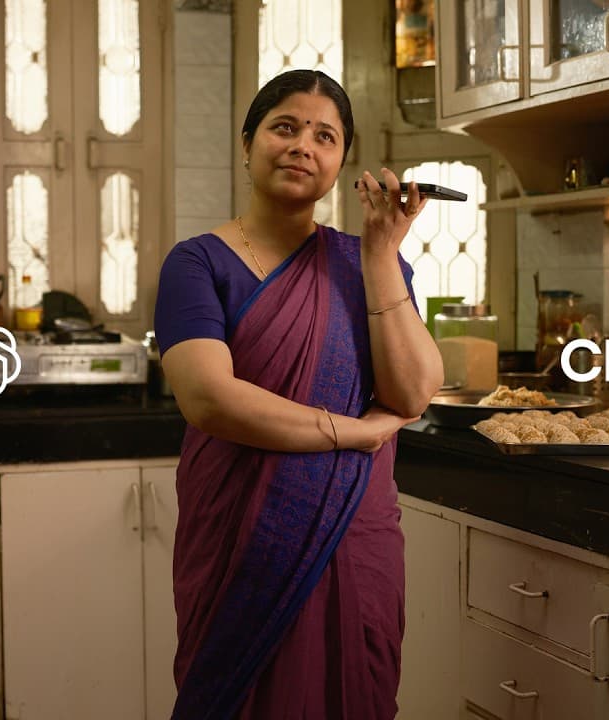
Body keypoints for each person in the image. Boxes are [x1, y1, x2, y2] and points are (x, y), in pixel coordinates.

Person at [154, 69, 444, 719]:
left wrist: (378, 255)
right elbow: (209, 400)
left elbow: (414, 389)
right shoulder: (197, 263)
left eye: (325, 136)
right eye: (284, 127)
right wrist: (352, 431)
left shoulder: (365, 260)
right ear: (247, 142)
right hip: (242, 537)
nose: (302, 146)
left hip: (352, 530)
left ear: (342, 161)